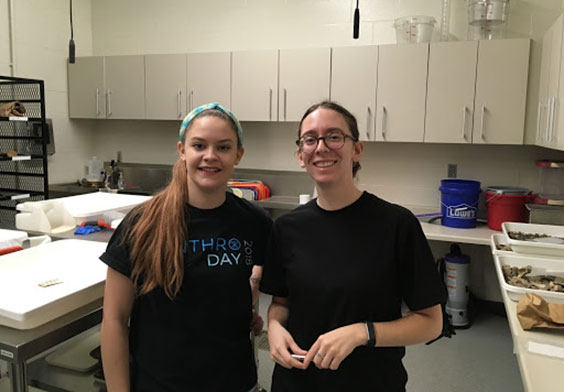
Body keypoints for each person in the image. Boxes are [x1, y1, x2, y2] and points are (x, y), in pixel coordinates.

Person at [260, 101, 447, 391]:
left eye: (334, 136)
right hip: (296, 381)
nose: (321, 147)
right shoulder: (286, 228)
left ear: (356, 149)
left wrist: (363, 332)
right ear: (301, 155)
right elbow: (281, 303)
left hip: (371, 382)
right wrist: (273, 328)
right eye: (310, 139)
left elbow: (431, 323)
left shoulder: (396, 224)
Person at [100, 103, 272, 392]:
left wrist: (245, 295)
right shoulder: (143, 224)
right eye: (199, 145)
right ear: (182, 150)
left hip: (234, 382)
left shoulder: (253, 222)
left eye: (223, 147)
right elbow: (114, 320)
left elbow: (265, 271)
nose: (210, 156)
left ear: (238, 155)